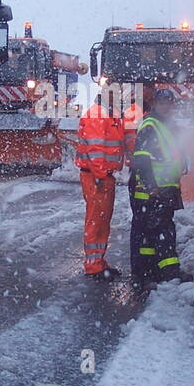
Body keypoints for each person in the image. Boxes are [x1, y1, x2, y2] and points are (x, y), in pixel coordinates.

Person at [128, 88, 192, 286]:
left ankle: (147, 270)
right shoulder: (150, 125)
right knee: (161, 229)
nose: (166, 106)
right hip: (152, 189)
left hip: (163, 188)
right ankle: (168, 271)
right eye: (162, 103)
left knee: (148, 230)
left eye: (169, 102)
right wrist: (151, 186)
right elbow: (141, 158)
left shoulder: (166, 125)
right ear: (155, 104)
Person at [75, 92, 127, 280]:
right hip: (97, 177)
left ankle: (98, 262)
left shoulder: (106, 114)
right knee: (96, 221)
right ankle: (93, 265)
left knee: (101, 222)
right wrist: (100, 175)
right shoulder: (97, 115)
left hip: (102, 176)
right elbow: (95, 149)